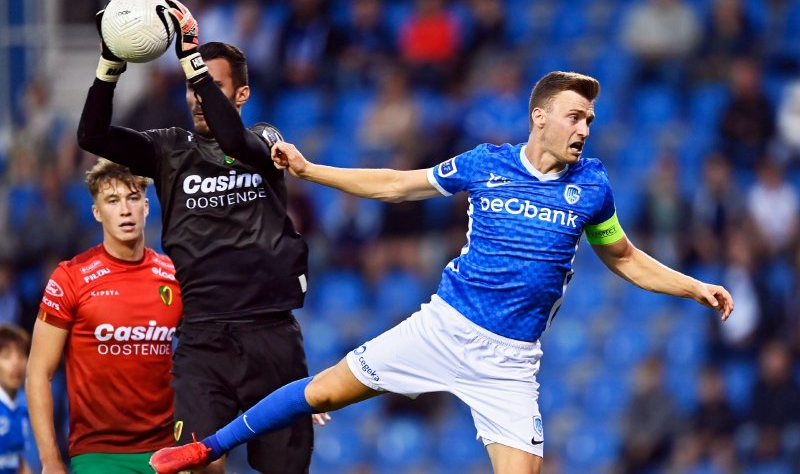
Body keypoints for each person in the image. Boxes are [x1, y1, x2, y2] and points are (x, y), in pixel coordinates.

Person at [150, 71, 734, 474]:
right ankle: (205, 449)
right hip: (443, 328)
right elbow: (400, 184)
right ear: (541, 117)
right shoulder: (487, 164)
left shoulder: (593, 188)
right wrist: (311, 169)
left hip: (509, 363)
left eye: (591, 120)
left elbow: (625, 257)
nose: (584, 129)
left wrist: (694, 286)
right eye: (575, 117)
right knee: (321, 390)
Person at [76, 0, 325, 473]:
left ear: (242, 94)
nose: (195, 96)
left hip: (270, 336)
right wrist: (110, 63)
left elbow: (233, 141)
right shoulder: (168, 149)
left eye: (208, 85)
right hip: (203, 340)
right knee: (189, 466)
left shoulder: (265, 141)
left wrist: (190, 58)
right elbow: (92, 135)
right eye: (191, 87)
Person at [26, 159, 183, 473]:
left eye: (132, 198)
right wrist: (50, 461)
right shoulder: (70, 277)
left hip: (168, 453)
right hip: (98, 455)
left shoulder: (175, 276)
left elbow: (209, 357)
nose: (125, 210)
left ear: (147, 206)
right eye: (112, 201)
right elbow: (38, 372)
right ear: (97, 212)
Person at [0, 324, 31, 474]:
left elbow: (16, 459)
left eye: (21, 355)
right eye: (6, 356)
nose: (16, 364)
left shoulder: (24, 407)